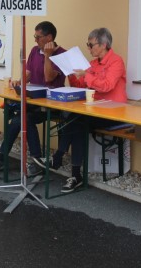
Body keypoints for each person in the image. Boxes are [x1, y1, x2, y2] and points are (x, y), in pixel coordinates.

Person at [34, 27, 127, 193]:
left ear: (103, 44)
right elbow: (80, 85)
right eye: (88, 45)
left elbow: (107, 85)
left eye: (91, 45)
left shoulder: (116, 62)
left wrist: (87, 75)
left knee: (76, 122)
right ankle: (74, 174)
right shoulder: (91, 64)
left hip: (114, 112)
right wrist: (70, 72)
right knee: (77, 122)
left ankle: (58, 161)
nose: (88, 48)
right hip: (94, 110)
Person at [0, 21, 66, 176]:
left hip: (51, 105)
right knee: (20, 118)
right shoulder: (35, 51)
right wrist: (19, 81)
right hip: (32, 101)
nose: (35, 40)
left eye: (38, 37)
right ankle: (34, 161)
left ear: (49, 37)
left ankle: (5, 160)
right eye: (34, 36)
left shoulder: (62, 54)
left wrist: (48, 55)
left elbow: (49, 78)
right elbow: (28, 74)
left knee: (22, 119)